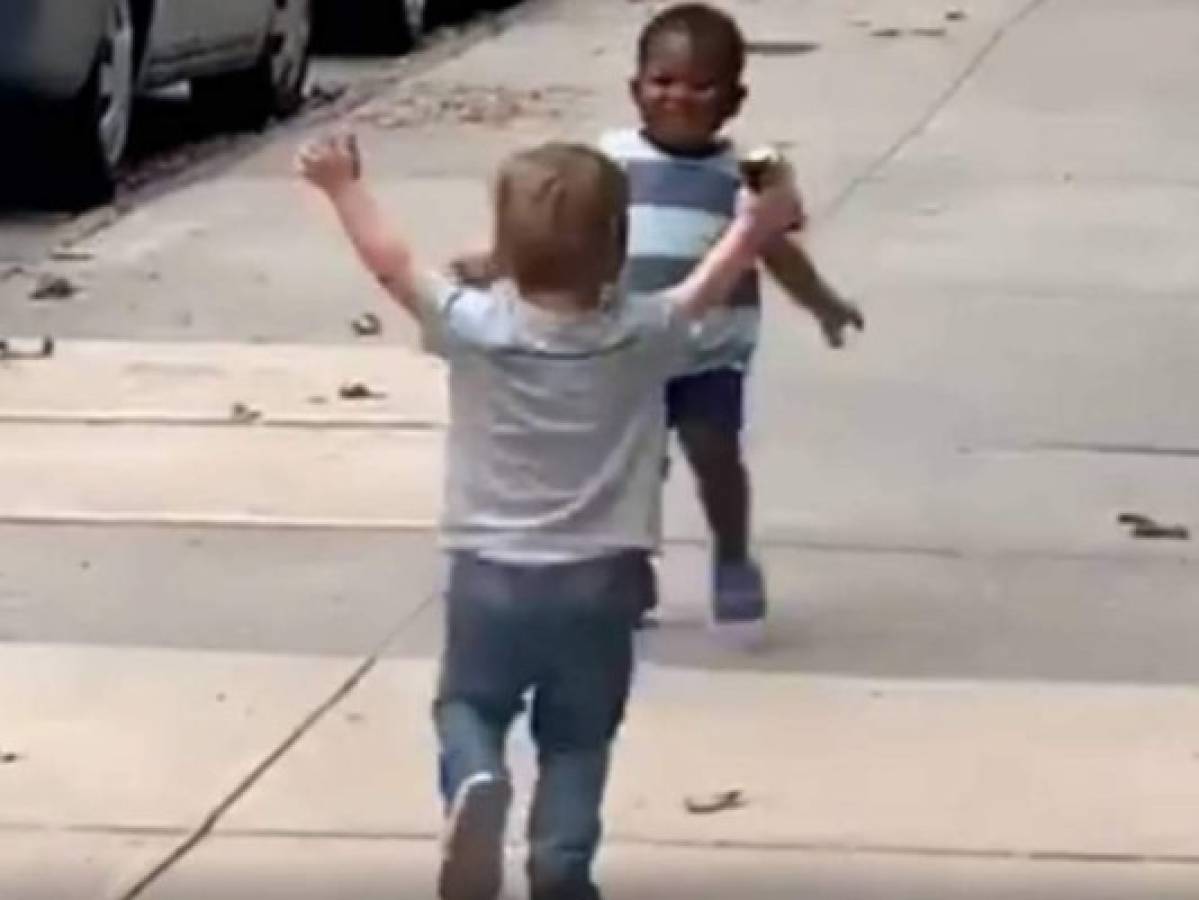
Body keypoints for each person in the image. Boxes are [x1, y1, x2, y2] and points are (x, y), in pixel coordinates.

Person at [297, 134, 801, 900]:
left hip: (490, 573)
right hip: (604, 580)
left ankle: (476, 775)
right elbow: (711, 280)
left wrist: (342, 188)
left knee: (468, 701)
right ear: (618, 250)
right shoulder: (646, 333)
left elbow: (392, 264)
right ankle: (560, 866)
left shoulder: (473, 326)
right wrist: (755, 221)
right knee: (577, 738)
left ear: (503, 248)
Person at [599, 2, 864, 645]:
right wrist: (501, 265)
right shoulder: (608, 164)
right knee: (631, 469)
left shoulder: (740, 180)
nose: (679, 97)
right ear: (635, 88)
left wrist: (823, 302)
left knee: (714, 454)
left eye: (700, 85)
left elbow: (776, 251)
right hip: (626, 347)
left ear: (734, 100)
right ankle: (628, 567)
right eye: (662, 81)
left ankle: (733, 553)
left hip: (710, 349)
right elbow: (561, 232)